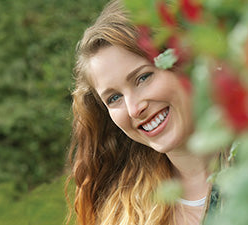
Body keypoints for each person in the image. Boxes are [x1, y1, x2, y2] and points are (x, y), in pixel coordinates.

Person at [66, 0, 224, 224]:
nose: (134, 108)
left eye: (143, 77)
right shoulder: (124, 216)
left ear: (186, 59)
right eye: (114, 98)